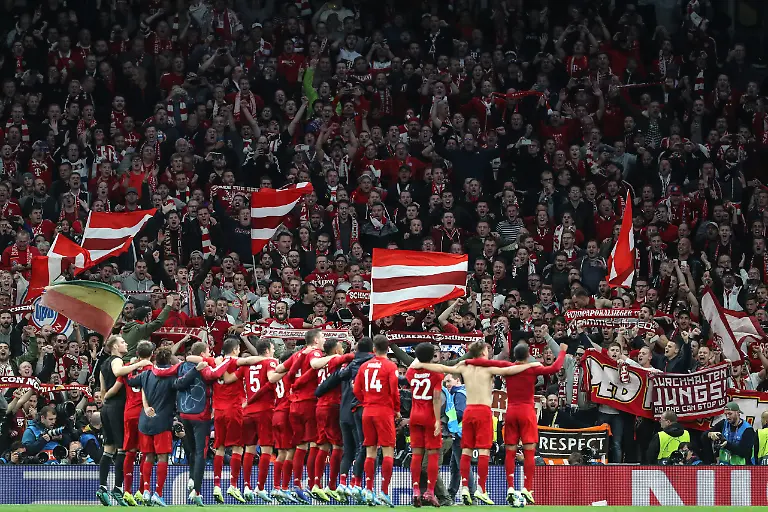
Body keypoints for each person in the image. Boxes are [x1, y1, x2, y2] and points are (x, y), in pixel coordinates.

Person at [411, 341, 540, 505]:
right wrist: (532, 364)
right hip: (483, 411)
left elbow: (443, 368)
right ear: (483, 352)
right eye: (487, 349)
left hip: (468, 412)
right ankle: (481, 489)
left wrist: (420, 361)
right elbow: (510, 369)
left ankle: (464, 487)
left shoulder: (465, 365)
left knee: (465, 451)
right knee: (484, 451)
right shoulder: (489, 367)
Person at [466, 334, 567, 505]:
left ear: (514, 356)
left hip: (510, 412)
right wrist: (563, 351)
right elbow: (556, 367)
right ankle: (527, 488)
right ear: (528, 355)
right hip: (527, 412)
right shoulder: (533, 368)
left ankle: (511, 487)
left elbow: (487, 363)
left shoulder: (508, 368)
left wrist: (471, 353)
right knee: (529, 451)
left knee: (510, 452)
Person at [128, 346, 192, 507]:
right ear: (169, 360)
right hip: (162, 422)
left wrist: (132, 365)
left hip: (145, 421)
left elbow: (130, 380)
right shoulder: (172, 378)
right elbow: (183, 384)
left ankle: (146, 491)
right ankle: (158, 493)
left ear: (155, 359)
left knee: (148, 456)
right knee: (162, 458)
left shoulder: (146, 374)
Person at [315, 337, 374, 503]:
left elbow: (334, 378)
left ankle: (341, 484)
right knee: (363, 449)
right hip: (359, 411)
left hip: (343, 413)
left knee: (347, 450)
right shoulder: (370, 364)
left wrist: (318, 391)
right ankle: (357, 484)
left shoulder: (349, 366)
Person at [96, 335, 152, 506]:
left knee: (108, 448)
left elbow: (103, 388)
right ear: (114, 347)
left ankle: (102, 486)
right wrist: (139, 364)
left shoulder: (102, 365)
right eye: (122, 342)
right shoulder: (116, 361)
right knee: (122, 449)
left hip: (106, 408)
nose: (125, 343)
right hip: (118, 408)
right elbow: (118, 375)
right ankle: (118, 488)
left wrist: (105, 400)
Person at [353, 334, 399, 507]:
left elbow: (356, 390)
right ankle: (384, 492)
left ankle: (369, 490)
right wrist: (396, 409)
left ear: (373, 349)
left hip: (367, 411)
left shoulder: (364, 366)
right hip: (384, 411)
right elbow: (394, 391)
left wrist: (366, 401)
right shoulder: (390, 366)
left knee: (370, 451)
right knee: (387, 451)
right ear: (388, 349)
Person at [405, 342, 444, 507]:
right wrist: (437, 420)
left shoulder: (411, 371)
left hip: (415, 415)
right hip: (429, 416)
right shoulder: (437, 373)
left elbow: (414, 364)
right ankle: (429, 491)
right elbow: (436, 398)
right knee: (433, 453)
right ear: (432, 356)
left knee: (416, 454)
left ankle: (415, 491)